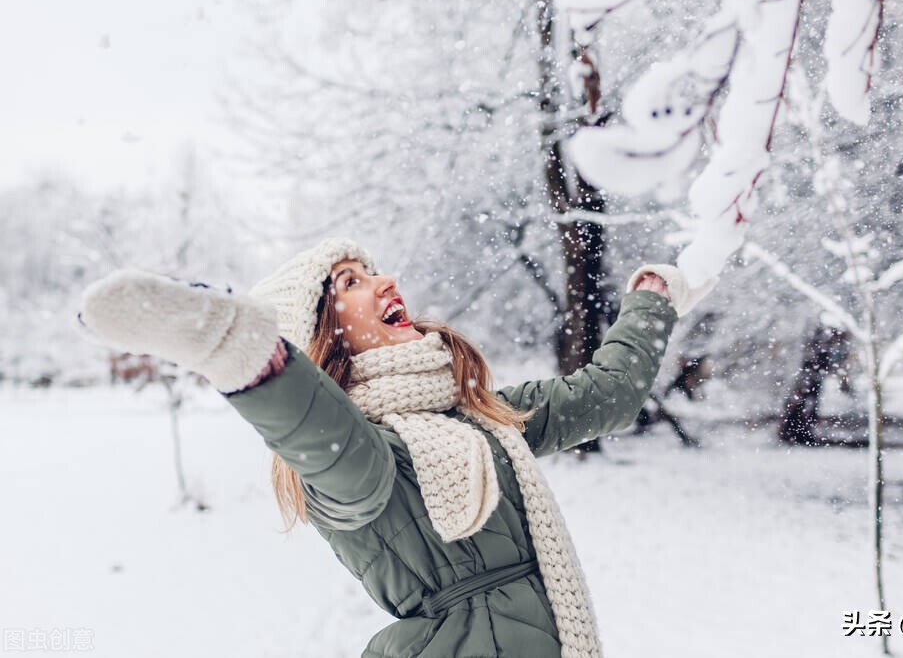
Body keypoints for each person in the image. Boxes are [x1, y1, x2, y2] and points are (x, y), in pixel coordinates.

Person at [78, 238, 714, 658]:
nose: (385, 281)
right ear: (323, 333)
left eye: (373, 269)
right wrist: (246, 353)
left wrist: (651, 299)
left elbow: (608, 395)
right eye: (351, 280)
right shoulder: (354, 458)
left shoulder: (479, 414)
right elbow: (322, 441)